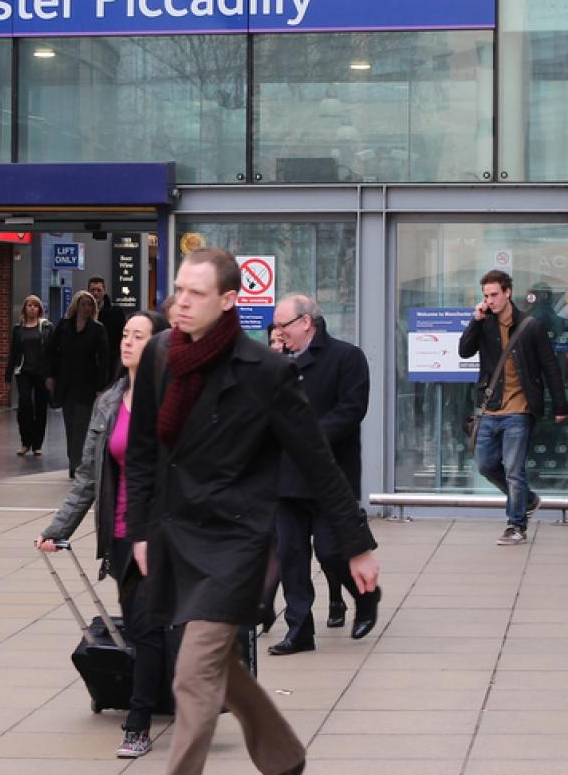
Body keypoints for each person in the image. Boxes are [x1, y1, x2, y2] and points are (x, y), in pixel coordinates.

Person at [126, 248, 380, 775]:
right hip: (177, 532)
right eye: (180, 290)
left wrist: (356, 543)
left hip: (236, 542)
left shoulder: (266, 370)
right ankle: (284, 757)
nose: (183, 303)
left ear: (228, 300)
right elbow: (145, 455)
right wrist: (142, 531)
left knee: (193, 674)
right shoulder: (157, 356)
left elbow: (316, 459)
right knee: (220, 665)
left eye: (197, 294)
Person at [39, 309, 173, 760]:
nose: (127, 342)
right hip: (120, 533)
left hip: (163, 535)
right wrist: (58, 529)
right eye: (125, 335)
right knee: (140, 628)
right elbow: (88, 478)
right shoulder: (108, 402)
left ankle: (137, 723)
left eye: (139, 335)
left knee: (148, 628)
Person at [267, 295, 376, 655]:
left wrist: (309, 435)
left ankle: (366, 595)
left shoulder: (347, 357)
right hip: (284, 476)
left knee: (332, 552)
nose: (278, 333)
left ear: (306, 323)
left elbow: (352, 409)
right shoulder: (275, 363)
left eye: (283, 326)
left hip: (329, 475)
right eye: (276, 327)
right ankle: (299, 630)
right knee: (291, 555)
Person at [459, 269, 568, 546]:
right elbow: (464, 351)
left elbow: (550, 367)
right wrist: (475, 321)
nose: (490, 300)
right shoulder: (484, 323)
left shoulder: (530, 325)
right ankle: (528, 499)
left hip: (520, 408)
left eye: (494, 295)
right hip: (490, 407)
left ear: (508, 293)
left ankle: (516, 524)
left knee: (514, 468)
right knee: (485, 464)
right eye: (486, 296)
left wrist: (559, 404)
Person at [47, 291, 110, 474]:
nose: (86, 308)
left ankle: (77, 465)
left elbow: (104, 359)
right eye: (83, 304)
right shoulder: (64, 326)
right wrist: (50, 376)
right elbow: (52, 351)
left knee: (81, 425)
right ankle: (73, 460)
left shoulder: (98, 329)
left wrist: (101, 385)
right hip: (66, 382)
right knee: (70, 425)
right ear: (76, 306)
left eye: (90, 305)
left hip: (87, 383)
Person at [9, 295, 52, 457]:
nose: (32, 308)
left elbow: (51, 351)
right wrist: (8, 376)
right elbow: (13, 353)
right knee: (25, 406)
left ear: (40, 309)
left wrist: (51, 373)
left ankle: (37, 444)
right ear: (24, 309)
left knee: (40, 408)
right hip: (23, 372)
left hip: (41, 373)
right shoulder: (18, 329)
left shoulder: (47, 327)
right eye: (29, 305)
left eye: (35, 306)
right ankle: (25, 442)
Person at [88, 276, 129, 385]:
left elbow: (123, 336)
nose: (95, 293)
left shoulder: (115, 313)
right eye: (92, 290)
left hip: (110, 363)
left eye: (99, 290)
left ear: (104, 291)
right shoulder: (83, 314)